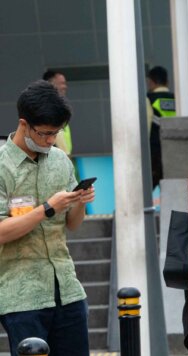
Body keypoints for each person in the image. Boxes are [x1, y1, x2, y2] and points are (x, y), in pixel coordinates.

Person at [0, 80, 95, 356]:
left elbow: (73, 225)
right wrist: (46, 209)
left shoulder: (60, 160)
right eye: (45, 133)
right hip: (21, 294)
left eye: (56, 133)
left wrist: (80, 203)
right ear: (23, 124)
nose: (51, 140)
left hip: (67, 288)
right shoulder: (3, 166)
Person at [146, 65, 176, 188]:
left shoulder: (148, 99)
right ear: (167, 82)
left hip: (155, 151)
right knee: (171, 187)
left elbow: (146, 126)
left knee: (146, 188)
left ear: (151, 82)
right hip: (174, 151)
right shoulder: (176, 98)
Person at [43, 70, 72, 156]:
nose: (65, 86)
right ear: (51, 84)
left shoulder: (58, 107)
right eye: (62, 83)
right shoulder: (48, 107)